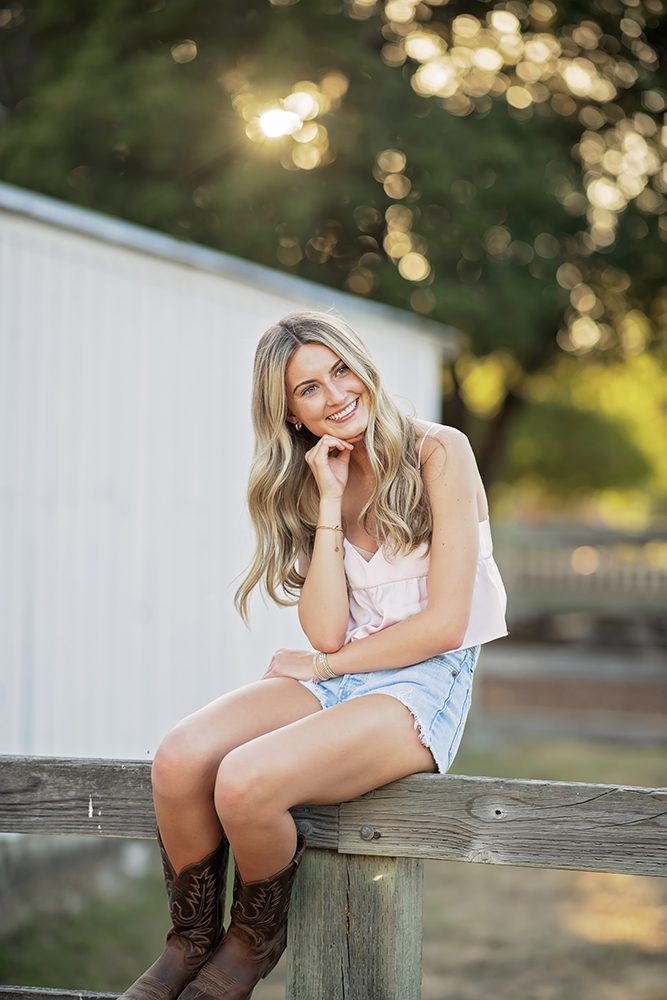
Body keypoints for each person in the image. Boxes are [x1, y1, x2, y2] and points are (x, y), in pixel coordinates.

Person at [119, 308, 509, 1000]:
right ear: (290, 413)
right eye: (308, 390)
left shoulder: (437, 452)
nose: (335, 395)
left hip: (423, 684)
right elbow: (328, 631)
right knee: (179, 759)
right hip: (348, 666)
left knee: (245, 782)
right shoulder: (311, 478)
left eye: (339, 369)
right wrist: (328, 501)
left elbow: (446, 626)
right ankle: (189, 941)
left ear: (361, 364)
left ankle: (250, 944)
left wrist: (326, 667)